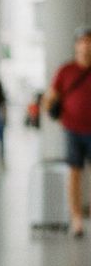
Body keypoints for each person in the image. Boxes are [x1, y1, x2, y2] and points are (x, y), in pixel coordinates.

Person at [42, 26, 91, 238]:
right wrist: (56, 115)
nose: (86, 45)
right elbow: (49, 97)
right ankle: (77, 219)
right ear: (76, 45)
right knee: (74, 174)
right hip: (73, 130)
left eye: (89, 40)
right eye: (83, 41)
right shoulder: (66, 71)